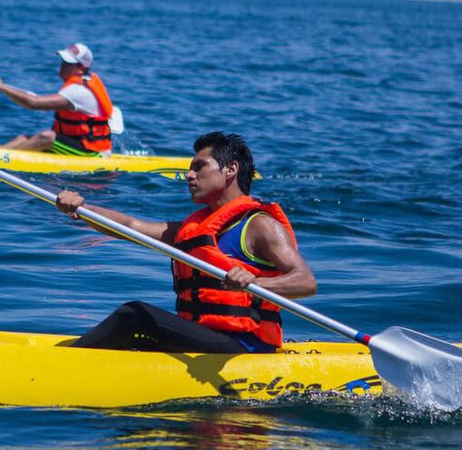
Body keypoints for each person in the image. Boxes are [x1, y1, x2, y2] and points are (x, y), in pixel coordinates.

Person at [55, 131, 317, 354]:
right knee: (131, 340)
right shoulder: (190, 230)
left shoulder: (260, 225)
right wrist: (81, 209)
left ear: (231, 170)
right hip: (200, 340)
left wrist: (254, 283)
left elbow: (305, 282)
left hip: (243, 347)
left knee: (134, 315)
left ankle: (60, 366)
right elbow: (129, 227)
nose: (189, 176)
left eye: (199, 167)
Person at [0, 43, 115, 157]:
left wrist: (1, 87)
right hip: (75, 143)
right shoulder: (76, 86)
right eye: (63, 61)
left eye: (68, 63)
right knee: (23, 138)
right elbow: (32, 98)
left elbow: (33, 103)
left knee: (47, 136)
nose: (62, 66)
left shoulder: (79, 91)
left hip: (92, 152)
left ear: (81, 68)